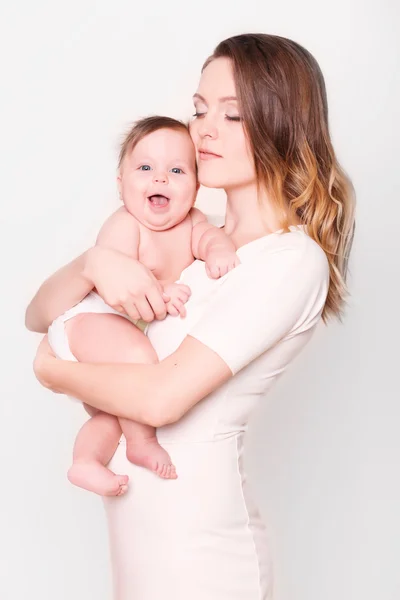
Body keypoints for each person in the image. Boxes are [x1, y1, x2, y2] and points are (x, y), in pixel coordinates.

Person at [27, 33, 355, 600]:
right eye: (200, 110)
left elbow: (161, 401)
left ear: (280, 123)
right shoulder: (188, 238)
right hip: (141, 540)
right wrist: (96, 262)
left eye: (232, 114)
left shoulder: (288, 259)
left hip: (203, 556)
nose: (203, 129)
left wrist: (52, 373)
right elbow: (39, 314)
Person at [47, 115, 239, 495]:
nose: (160, 179)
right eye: (145, 168)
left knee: (114, 413)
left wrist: (220, 250)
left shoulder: (193, 222)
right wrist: (162, 291)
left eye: (177, 170)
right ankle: (142, 444)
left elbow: (208, 240)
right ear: (121, 186)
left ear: (197, 188)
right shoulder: (124, 226)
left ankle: (86, 461)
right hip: (90, 319)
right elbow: (119, 282)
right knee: (139, 362)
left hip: (115, 332)